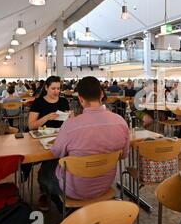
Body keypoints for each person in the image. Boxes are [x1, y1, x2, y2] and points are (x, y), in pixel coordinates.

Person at [37, 76, 130, 211]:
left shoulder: (70, 125)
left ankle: (63, 208)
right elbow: (123, 155)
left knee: (44, 171)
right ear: (101, 94)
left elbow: (56, 153)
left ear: (80, 99)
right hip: (105, 185)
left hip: (73, 189)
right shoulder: (121, 122)